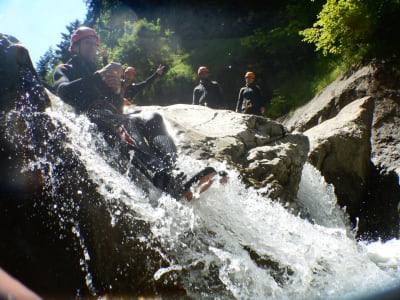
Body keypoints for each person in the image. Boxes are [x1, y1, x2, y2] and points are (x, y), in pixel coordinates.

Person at [53, 26, 225, 200]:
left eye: (94, 44)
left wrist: (116, 91)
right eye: (87, 43)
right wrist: (100, 76)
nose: (92, 48)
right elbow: (63, 91)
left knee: (153, 117)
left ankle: (175, 169)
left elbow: (117, 107)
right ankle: (166, 179)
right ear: (75, 47)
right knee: (124, 122)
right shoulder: (66, 69)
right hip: (92, 117)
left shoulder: (100, 73)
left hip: (112, 116)